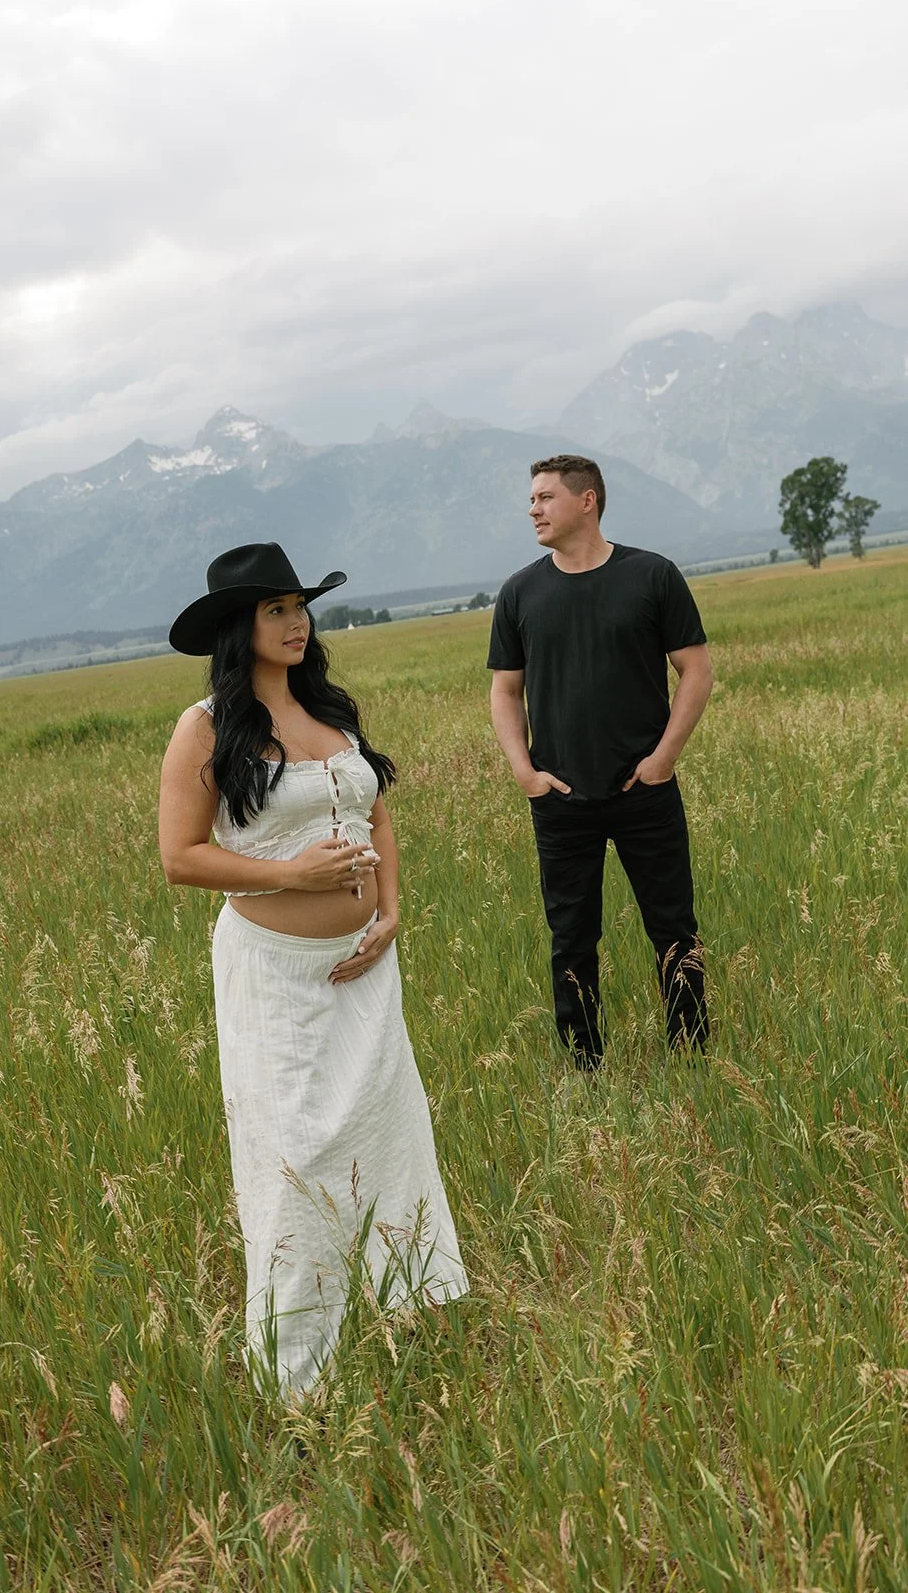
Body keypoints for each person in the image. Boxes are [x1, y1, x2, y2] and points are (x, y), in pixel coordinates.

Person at [159, 542, 468, 1396]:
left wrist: (390, 912)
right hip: (276, 976)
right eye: (276, 610)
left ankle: (409, 1323)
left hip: (365, 969)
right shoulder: (204, 727)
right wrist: (291, 876)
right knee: (294, 1159)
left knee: (389, 1139)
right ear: (238, 627)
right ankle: (296, 1376)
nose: (296, 623)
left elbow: (378, 819)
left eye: (301, 607)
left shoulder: (329, 712)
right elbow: (180, 857)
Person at [487, 456, 713, 1069]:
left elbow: (696, 672)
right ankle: (585, 1067)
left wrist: (663, 760)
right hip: (559, 798)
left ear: (587, 501)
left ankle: (692, 1058)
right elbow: (505, 691)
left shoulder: (652, 575)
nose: (532, 509)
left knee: (674, 928)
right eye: (531, 499)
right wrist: (524, 772)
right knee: (571, 939)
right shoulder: (520, 592)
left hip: (645, 790)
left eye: (545, 497)